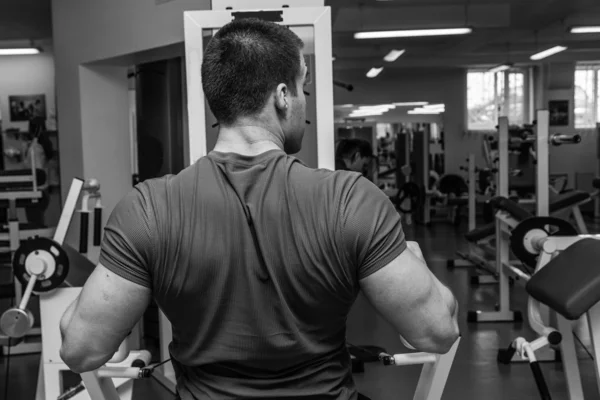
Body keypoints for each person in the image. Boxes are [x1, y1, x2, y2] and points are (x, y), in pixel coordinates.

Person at [59, 18, 459, 400]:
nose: (303, 103)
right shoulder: (351, 199)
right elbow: (437, 333)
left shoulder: (146, 208)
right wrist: (415, 263)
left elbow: (81, 350)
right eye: (303, 89)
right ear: (283, 96)